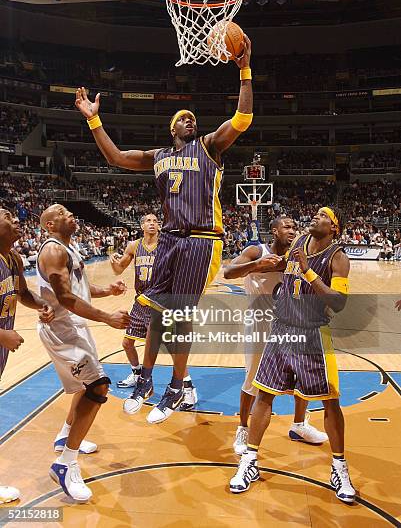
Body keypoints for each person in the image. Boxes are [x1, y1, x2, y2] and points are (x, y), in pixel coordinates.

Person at [75, 35, 253, 424]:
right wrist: (93, 118)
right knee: (153, 307)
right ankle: (146, 378)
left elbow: (242, 120)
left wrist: (244, 70)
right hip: (172, 240)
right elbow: (117, 158)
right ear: (172, 128)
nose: (191, 121)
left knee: (180, 312)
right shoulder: (157, 157)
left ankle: (177, 383)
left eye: (193, 118)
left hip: (202, 239)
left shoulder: (209, 147)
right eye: (183, 118)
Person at [229, 207, 356, 504]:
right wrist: (255, 265)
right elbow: (264, 268)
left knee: (330, 400)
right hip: (280, 330)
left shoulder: (338, 257)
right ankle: (249, 461)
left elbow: (338, 303)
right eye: (316, 214)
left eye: (324, 216)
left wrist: (308, 270)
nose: (315, 216)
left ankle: (339, 467)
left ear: (334, 228)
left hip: (313, 334)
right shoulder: (298, 243)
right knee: (264, 395)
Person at [36, 204, 130, 502]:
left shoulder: (68, 247)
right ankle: (65, 463)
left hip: (73, 326)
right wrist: (106, 316)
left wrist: (108, 290)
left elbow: (80, 289)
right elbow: (64, 297)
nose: (69, 214)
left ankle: (65, 435)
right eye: (61, 213)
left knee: (85, 384)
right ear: (50, 225)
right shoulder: (53, 251)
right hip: (63, 329)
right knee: (98, 386)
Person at [224, 216, 328, 455]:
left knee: (302, 377)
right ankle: (242, 428)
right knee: (253, 379)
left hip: (291, 323)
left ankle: (299, 425)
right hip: (259, 323)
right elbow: (228, 272)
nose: (292, 231)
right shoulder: (255, 250)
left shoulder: (298, 253)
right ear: (274, 231)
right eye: (287, 227)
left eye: (294, 227)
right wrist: (256, 265)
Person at [110, 212, 198, 411]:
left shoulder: (166, 245)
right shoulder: (133, 246)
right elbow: (119, 269)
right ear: (142, 226)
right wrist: (113, 262)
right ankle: (137, 374)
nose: (152, 224)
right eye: (148, 221)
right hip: (141, 301)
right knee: (127, 343)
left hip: (160, 302)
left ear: (159, 226)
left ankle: (189, 389)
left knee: (171, 348)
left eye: (155, 221)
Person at [0, 208, 55, 504]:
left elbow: (21, 293)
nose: (17, 220)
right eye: (8, 217)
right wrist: (1, 334)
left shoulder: (13, 258)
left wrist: (41, 305)